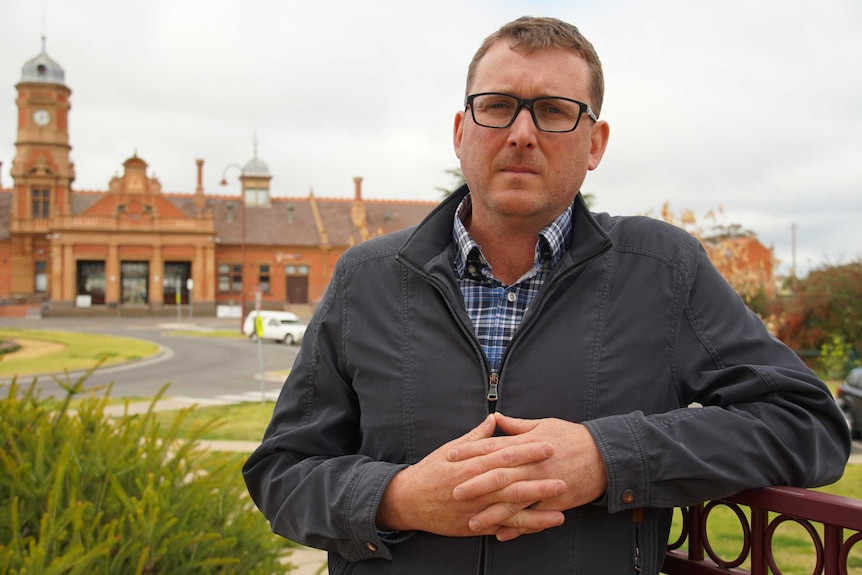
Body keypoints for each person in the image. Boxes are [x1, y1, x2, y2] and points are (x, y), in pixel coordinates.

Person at [243, 16, 850, 575]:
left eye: (555, 111)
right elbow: (281, 471)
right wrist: (396, 499)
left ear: (595, 143)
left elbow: (808, 425)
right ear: (461, 131)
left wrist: (610, 456)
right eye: (498, 106)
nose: (522, 133)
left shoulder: (663, 270)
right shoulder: (366, 278)